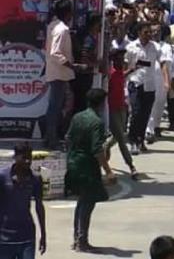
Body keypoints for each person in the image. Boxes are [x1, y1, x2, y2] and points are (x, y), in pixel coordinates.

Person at [65, 89, 116, 252]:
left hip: (73, 162)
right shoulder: (96, 122)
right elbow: (97, 150)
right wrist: (108, 171)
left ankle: (77, 238)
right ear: (101, 104)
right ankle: (81, 241)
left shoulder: (77, 117)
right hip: (87, 167)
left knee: (81, 202)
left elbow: (68, 138)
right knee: (87, 203)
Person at [43, 0, 82, 149]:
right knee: (55, 107)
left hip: (56, 72)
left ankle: (50, 137)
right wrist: (72, 66)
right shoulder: (61, 29)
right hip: (59, 73)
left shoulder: (53, 26)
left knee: (55, 106)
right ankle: (52, 140)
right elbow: (55, 52)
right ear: (68, 13)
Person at [0, 143, 46, 259]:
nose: (27, 161)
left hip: (27, 236)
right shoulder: (2, 177)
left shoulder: (35, 179)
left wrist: (43, 234)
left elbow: (39, 207)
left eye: (29, 158)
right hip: (4, 237)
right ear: (15, 157)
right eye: (24, 158)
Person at [125, 22, 162, 154]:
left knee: (145, 114)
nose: (149, 35)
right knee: (136, 112)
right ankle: (133, 140)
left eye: (150, 32)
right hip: (135, 83)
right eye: (146, 32)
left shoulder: (155, 47)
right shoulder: (131, 47)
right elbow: (125, 65)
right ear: (139, 32)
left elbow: (162, 61)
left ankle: (140, 140)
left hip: (150, 84)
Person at [105, 49, 138, 179]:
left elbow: (122, 76)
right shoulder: (110, 74)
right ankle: (131, 166)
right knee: (122, 139)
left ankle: (106, 146)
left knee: (120, 134)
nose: (122, 60)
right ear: (114, 60)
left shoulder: (118, 72)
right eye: (119, 58)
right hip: (112, 109)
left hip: (122, 108)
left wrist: (131, 70)